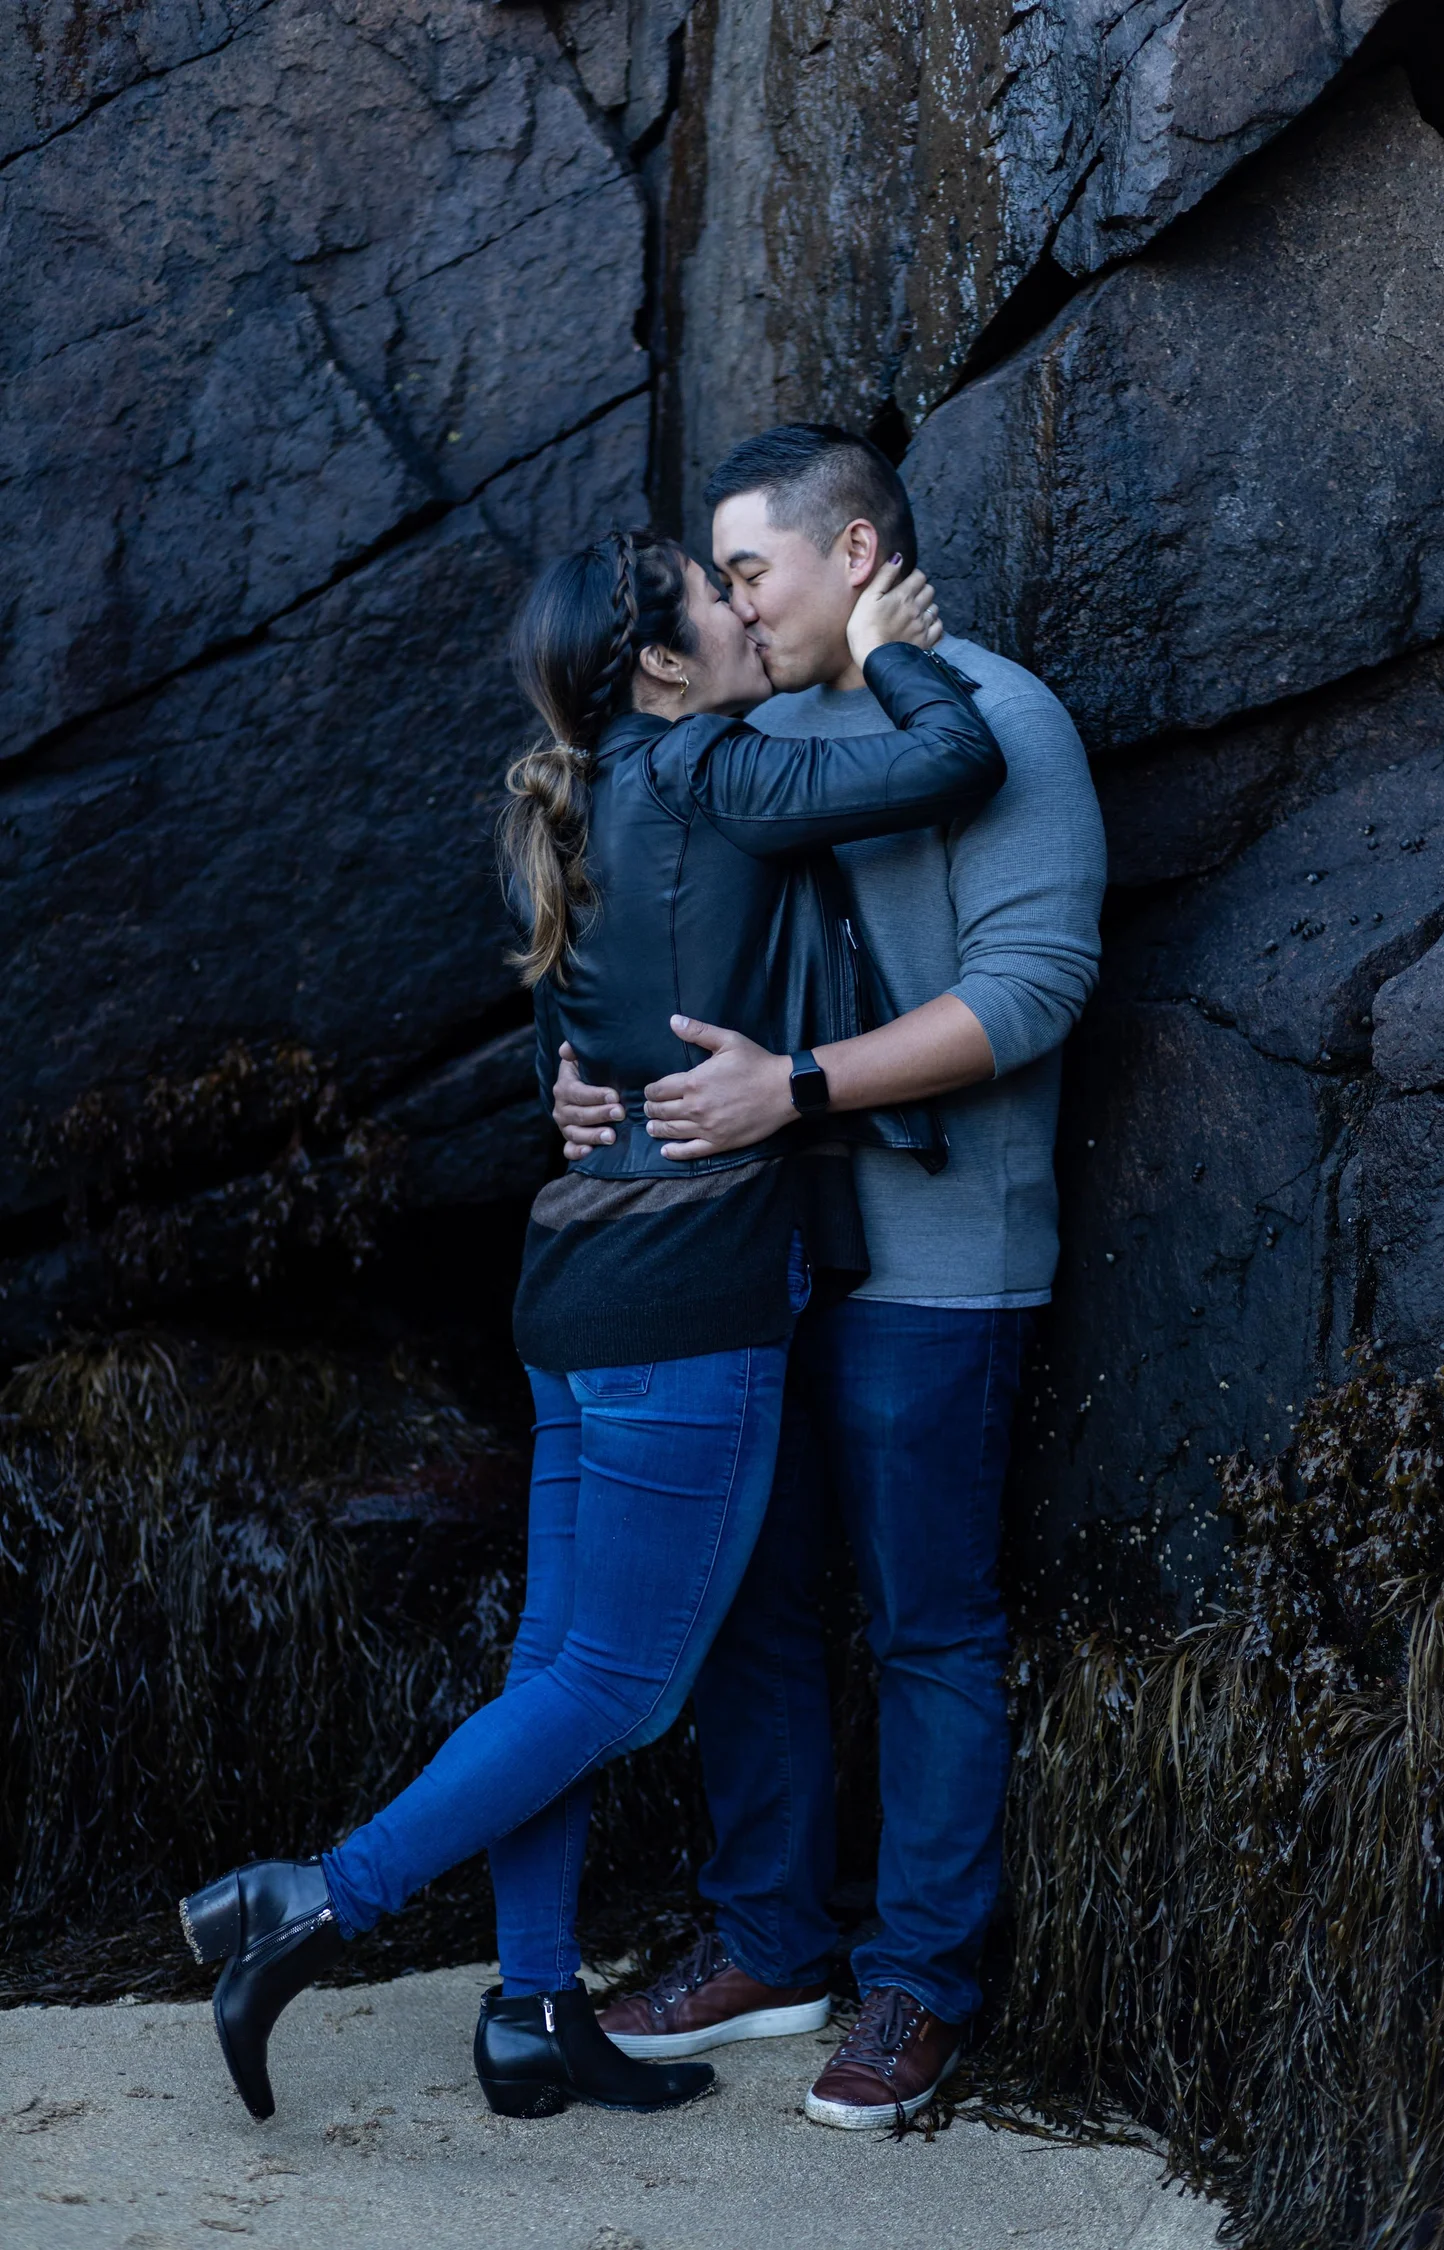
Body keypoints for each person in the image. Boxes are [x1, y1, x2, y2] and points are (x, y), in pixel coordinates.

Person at [176, 528, 1008, 2127]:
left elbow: (581, 1048)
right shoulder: (713, 772)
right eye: (716, 590)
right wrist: (891, 640)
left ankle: (535, 2005)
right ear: (660, 663)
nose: (741, 603)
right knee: (617, 1686)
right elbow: (953, 756)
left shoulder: (587, 800)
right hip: (679, 1304)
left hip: (571, 1294)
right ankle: (312, 1901)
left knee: (554, 1662)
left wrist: (594, 1090)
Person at [552, 426, 1107, 2129]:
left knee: (929, 1622)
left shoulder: (1000, 721)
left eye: (749, 572)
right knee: (754, 1605)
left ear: (853, 554)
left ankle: (917, 1986)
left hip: (940, 1261)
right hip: (754, 1258)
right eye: (714, 583)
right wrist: (588, 1087)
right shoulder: (746, 738)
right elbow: (651, 944)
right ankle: (768, 1939)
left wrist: (790, 1087)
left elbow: (1032, 991)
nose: (727, 604)